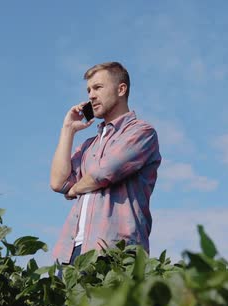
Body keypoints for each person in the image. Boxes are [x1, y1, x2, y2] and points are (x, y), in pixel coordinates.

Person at [50, 61, 161, 265]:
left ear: (121, 89)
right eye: (89, 90)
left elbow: (105, 172)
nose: (91, 95)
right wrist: (68, 130)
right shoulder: (89, 146)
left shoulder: (141, 132)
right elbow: (58, 182)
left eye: (98, 87)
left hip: (116, 250)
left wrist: (75, 189)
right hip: (72, 251)